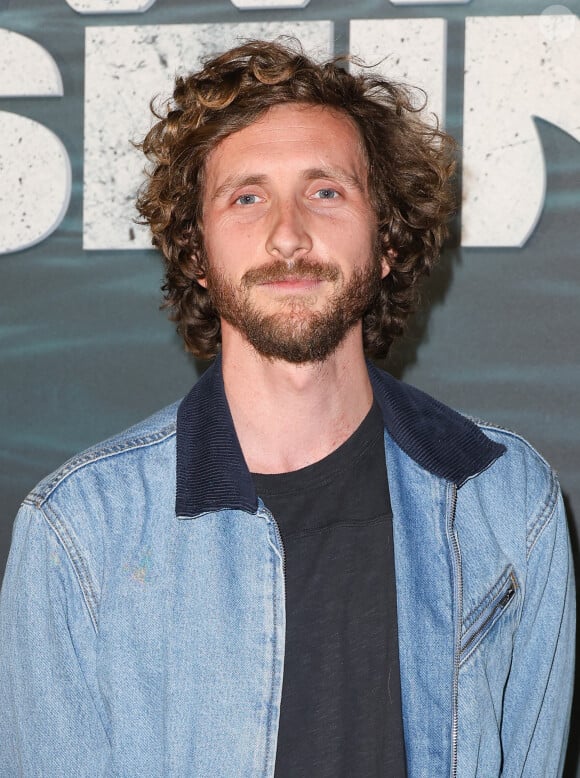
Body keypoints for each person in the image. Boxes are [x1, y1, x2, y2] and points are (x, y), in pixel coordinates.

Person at [0, 39, 574, 778]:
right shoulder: (80, 533)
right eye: (247, 197)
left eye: (325, 191)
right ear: (198, 254)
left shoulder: (507, 500)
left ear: (388, 239)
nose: (288, 235)